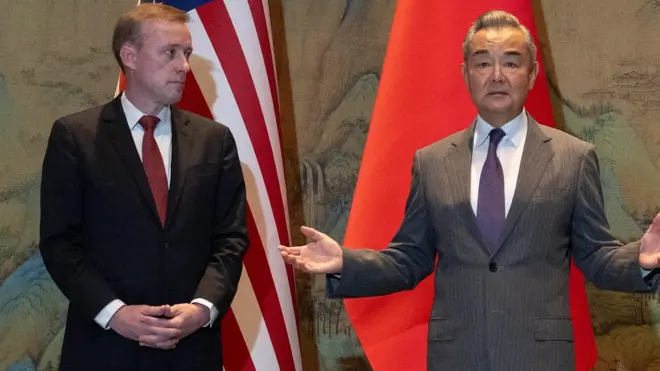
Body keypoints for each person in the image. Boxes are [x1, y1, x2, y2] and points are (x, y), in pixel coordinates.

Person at [279, 10, 660, 371]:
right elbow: (410, 259)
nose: (496, 75)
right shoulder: (432, 162)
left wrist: (639, 260)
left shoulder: (573, 158)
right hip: (456, 355)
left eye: (511, 62)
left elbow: (596, 256)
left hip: (539, 357)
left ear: (531, 74)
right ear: (466, 73)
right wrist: (345, 262)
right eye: (483, 63)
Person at [39, 3, 249, 371]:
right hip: (103, 350)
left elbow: (231, 238)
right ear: (130, 56)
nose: (184, 66)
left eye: (186, 54)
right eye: (169, 52)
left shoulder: (214, 140)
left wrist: (202, 309)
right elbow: (60, 242)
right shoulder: (76, 136)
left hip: (192, 351)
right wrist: (115, 314)